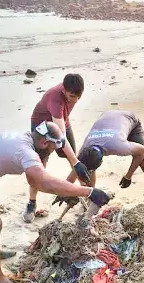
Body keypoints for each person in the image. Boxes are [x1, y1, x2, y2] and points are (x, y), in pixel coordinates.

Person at [0, 122, 111, 283]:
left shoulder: (29, 139)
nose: (53, 151)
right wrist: (89, 191)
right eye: (54, 148)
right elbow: (41, 182)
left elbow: (51, 138)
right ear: (45, 143)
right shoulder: (25, 151)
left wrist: (74, 164)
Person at [72, 110, 144, 223]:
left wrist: (128, 176)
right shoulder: (85, 148)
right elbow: (75, 170)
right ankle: (90, 199)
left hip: (130, 120)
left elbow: (141, 151)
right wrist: (65, 191)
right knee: (86, 171)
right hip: (108, 118)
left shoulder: (117, 146)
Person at [25, 73, 86, 223]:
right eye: (71, 96)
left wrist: (76, 162)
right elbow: (61, 137)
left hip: (61, 121)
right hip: (42, 128)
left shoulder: (75, 93)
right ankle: (31, 203)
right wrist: (76, 162)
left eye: (77, 97)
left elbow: (62, 129)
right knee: (39, 165)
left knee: (75, 159)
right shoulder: (55, 97)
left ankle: (84, 194)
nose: (74, 100)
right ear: (64, 90)